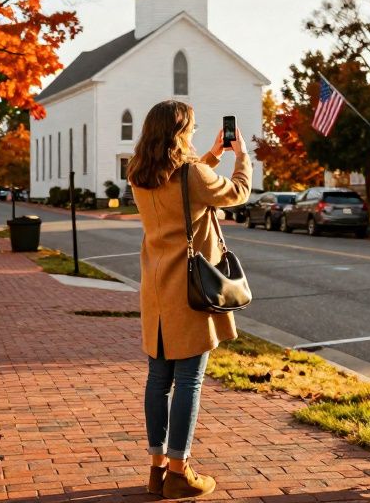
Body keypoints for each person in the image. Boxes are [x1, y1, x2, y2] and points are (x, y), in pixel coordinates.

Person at [127, 100, 251, 499]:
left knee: (157, 380)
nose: (196, 134)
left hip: (156, 286)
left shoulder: (139, 172)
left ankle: (156, 468)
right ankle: (180, 472)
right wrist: (240, 157)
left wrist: (212, 154)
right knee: (189, 382)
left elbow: (185, 185)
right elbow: (237, 193)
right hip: (190, 289)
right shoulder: (192, 174)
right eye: (193, 129)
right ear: (180, 132)